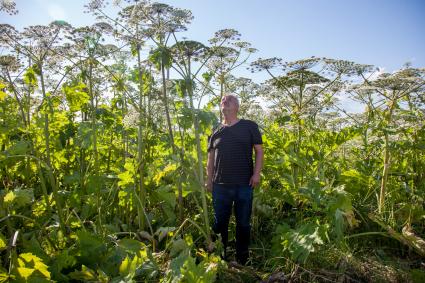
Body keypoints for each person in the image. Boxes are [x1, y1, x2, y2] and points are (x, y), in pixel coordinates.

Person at [206, 94, 264, 265]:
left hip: (244, 185)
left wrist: (257, 173)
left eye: (229, 99)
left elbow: (259, 151)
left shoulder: (249, 126)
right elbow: (210, 159)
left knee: (243, 223)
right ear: (221, 107)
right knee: (219, 224)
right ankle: (220, 258)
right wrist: (208, 180)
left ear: (237, 107)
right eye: (223, 100)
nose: (225, 100)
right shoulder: (215, 130)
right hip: (220, 185)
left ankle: (242, 259)